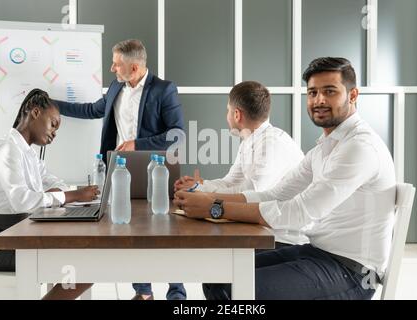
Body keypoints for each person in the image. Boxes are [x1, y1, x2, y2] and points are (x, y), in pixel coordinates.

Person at [174, 57, 397, 300]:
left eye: (330, 91)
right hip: (317, 252)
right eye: (312, 92)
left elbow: (298, 212)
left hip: (350, 271)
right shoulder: (325, 148)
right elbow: (275, 194)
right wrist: (207, 197)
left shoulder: (359, 147)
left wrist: (215, 207)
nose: (319, 100)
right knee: (219, 277)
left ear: (353, 95)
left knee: (235, 288)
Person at [53, 39, 185, 300]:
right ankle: (143, 292)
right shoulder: (116, 87)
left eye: (116, 64)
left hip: (156, 168)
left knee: (167, 230)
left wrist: (138, 143)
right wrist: (52, 104)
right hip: (121, 169)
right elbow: (92, 110)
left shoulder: (164, 90)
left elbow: (177, 134)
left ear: (134, 67)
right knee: (132, 226)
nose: (112, 68)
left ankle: (177, 294)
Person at [0, 89, 98, 299]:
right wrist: (74, 196)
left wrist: (57, 194)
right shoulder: (7, 149)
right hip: (4, 243)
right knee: (86, 263)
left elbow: (56, 183)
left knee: (88, 258)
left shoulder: (30, 154)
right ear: (35, 113)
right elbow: (22, 202)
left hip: (23, 235)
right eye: (53, 124)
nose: (54, 133)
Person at [174, 81, 305, 245]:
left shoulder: (271, 143)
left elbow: (252, 193)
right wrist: (197, 187)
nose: (227, 115)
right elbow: (230, 182)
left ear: (237, 114)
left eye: (228, 110)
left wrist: (203, 197)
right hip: (261, 229)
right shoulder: (249, 141)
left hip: (283, 238)